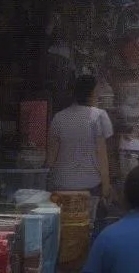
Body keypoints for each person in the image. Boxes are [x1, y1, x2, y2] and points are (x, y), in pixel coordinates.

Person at [47, 75, 113, 203]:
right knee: (87, 221)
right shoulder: (99, 116)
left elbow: (51, 158)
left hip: (61, 184)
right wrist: (106, 185)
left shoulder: (58, 118)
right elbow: (102, 156)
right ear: (92, 93)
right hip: (89, 186)